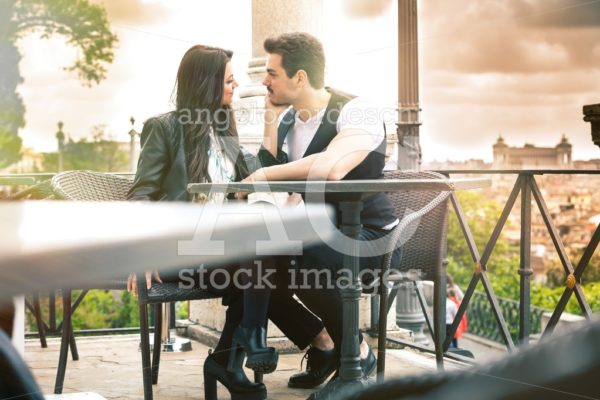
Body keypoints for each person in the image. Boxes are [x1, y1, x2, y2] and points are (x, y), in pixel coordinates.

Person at [126, 44, 325, 400]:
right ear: (206, 83)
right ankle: (313, 341)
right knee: (260, 257)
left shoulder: (224, 131)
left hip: (221, 249)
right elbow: (141, 195)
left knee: (262, 253)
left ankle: (232, 358)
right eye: (229, 80)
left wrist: (270, 121)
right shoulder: (165, 128)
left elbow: (260, 171)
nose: (235, 87)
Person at [245, 32, 403, 389]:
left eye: (271, 73)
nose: (264, 81)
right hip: (321, 234)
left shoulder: (358, 110)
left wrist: (263, 174)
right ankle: (325, 343)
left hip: (372, 237)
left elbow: (333, 166)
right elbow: (280, 185)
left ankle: (356, 361)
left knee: (306, 255)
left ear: (299, 77)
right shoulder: (288, 122)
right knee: (250, 267)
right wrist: (272, 119)